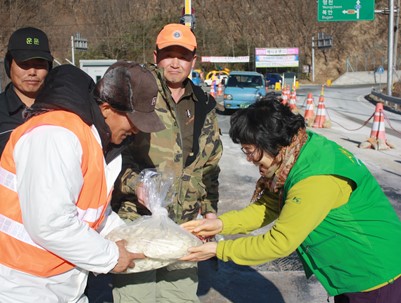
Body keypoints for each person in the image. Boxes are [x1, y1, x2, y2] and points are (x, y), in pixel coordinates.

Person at [181, 98, 401, 303]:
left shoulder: (314, 179)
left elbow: (279, 242)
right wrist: (220, 224)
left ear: (268, 142)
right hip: (353, 273)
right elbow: (267, 207)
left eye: (249, 151)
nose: (249, 160)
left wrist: (217, 250)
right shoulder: (296, 153)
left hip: (374, 277)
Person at [0, 62, 165, 302]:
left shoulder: (98, 144)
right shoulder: (56, 135)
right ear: (107, 108)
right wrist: (110, 257)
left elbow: (95, 215)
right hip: (22, 284)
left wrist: (136, 235)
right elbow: (51, 224)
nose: (137, 131)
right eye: (135, 120)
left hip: (63, 283)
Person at [112, 23, 223, 303]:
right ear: (155, 55)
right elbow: (111, 152)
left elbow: (210, 166)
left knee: (180, 296)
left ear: (193, 60)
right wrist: (136, 184)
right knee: (136, 296)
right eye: (168, 54)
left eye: (183, 56)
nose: (175, 63)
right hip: (137, 221)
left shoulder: (203, 104)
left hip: (183, 225)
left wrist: (209, 212)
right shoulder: (135, 97)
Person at [0, 26, 53, 156]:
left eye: (39, 65)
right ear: (9, 65)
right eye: (24, 64)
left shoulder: (62, 109)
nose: (32, 72)